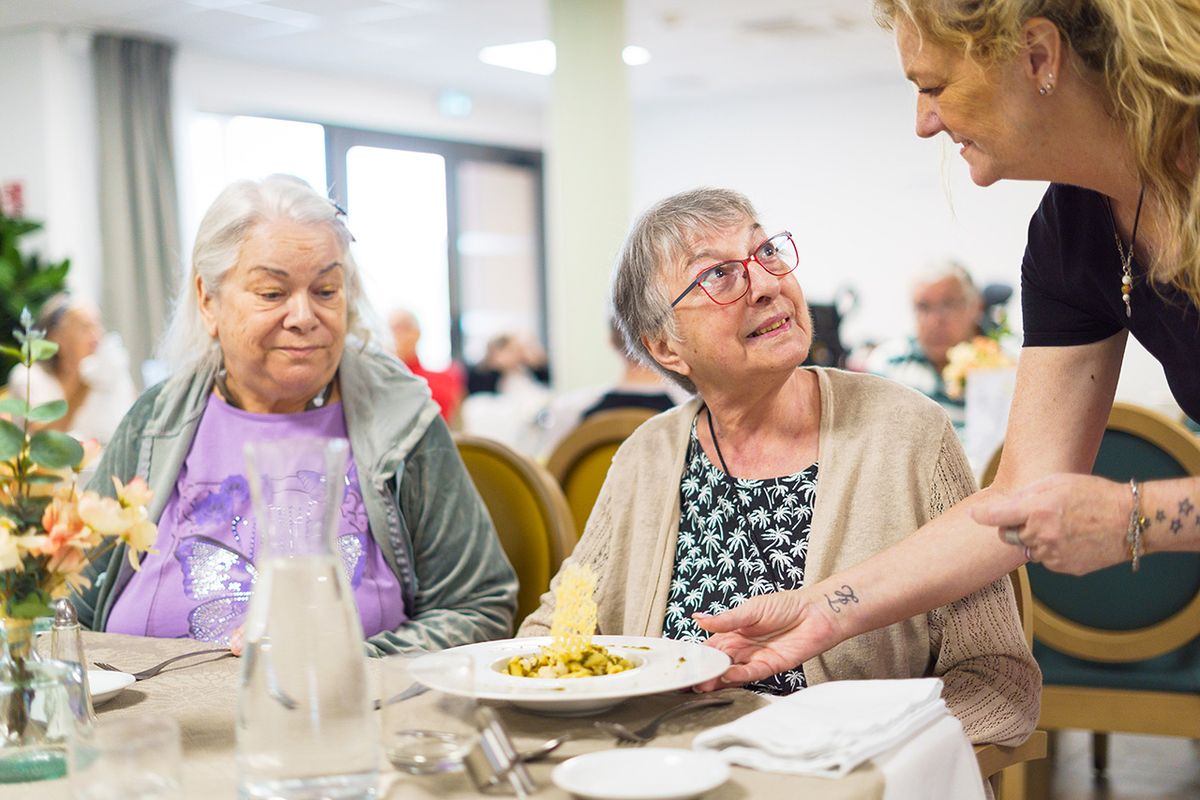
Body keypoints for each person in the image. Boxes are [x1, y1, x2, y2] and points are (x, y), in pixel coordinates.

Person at [695, 0, 1200, 687]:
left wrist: (1135, 516)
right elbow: (1018, 494)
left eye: (932, 86)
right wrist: (827, 609)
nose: (924, 122)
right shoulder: (1071, 231)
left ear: (1039, 57)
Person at [519, 189, 1039, 747]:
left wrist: (865, 760)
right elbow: (560, 631)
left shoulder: (908, 434)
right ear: (666, 348)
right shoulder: (646, 457)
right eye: (718, 275)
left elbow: (998, 679)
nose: (766, 283)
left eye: (765, 252)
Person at [72, 175, 517, 655]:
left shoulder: (399, 420)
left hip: (344, 718)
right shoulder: (154, 422)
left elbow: (479, 606)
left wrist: (341, 660)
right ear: (208, 300)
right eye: (272, 293)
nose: (304, 316)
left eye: (326, 290)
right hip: (153, 721)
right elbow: (65, 595)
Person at [536, 318, 687, 456]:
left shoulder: (569, 412)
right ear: (665, 341)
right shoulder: (691, 411)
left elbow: (551, 476)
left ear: (610, 341)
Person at [866, 261, 985, 433]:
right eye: (923, 307)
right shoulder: (889, 363)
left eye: (948, 304)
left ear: (976, 307)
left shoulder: (1008, 364)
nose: (935, 320)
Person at [6, 292, 137, 444]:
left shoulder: (102, 373)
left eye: (98, 325)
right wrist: (85, 385)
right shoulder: (28, 377)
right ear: (57, 337)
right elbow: (42, 442)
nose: (97, 336)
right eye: (86, 328)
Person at [388, 308, 466, 423]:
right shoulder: (381, 381)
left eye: (403, 328)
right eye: (392, 329)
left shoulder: (444, 381)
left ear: (417, 333)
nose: (397, 335)